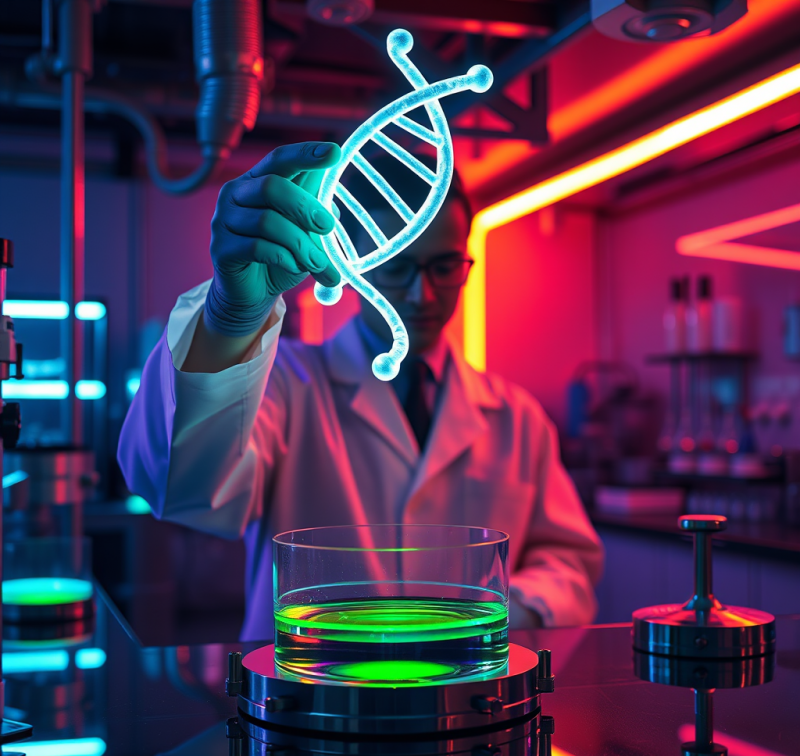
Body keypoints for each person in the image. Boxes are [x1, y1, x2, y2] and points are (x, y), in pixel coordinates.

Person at [118, 141, 603, 641]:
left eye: (444, 267)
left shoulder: (517, 416)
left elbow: (567, 558)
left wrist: (518, 608)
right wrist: (230, 318)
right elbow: (180, 487)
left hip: (469, 682)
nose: (422, 295)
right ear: (352, 260)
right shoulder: (286, 382)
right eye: (395, 266)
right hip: (310, 682)